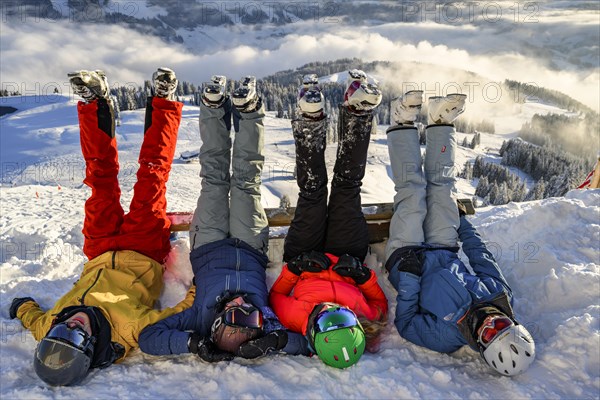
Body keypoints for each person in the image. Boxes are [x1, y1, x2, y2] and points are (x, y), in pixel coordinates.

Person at [8, 68, 195, 386]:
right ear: (90, 348)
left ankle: (95, 101)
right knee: (152, 175)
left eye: (57, 333)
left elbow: (32, 317)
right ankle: (163, 101)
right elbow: (180, 313)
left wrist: (21, 306)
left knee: (99, 178)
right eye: (76, 337)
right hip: (142, 249)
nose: (70, 326)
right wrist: (200, 286)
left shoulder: (50, 323)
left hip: (99, 248)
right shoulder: (130, 328)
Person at [139, 75, 303, 362]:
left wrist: (192, 344)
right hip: (249, 245)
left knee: (214, 181)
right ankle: (249, 110)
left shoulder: (199, 319)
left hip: (208, 244)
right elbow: (306, 344)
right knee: (246, 182)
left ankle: (213, 108)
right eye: (251, 317)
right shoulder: (267, 320)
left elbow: (149, 339)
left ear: (217, 323)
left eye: (236, 313)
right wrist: (274, 341)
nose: (243, 304)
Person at [385, 90, 536, 376]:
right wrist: (461, 222)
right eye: (502, 326)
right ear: (513, 322)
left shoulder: (445, 337)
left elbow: (406, 324)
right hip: (443, 246)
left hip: (407, 258)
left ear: (480, 344)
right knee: (443, 191)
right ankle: (440, 122)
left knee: (413, 195)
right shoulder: (499, 295)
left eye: (490, 334)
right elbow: (481, 257)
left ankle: (402, 123)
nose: (490, 323)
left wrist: (410, 277)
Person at [269, 70, 389, 369]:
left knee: (312, 194)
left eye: (327, 320)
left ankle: (310, 120)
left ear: (314, 330)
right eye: (343, 318)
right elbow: (380, 307)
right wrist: (362, 276)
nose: (332, 310)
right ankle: (357, 113)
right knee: (347, 190)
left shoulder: (294, 318)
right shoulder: (366, 316)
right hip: (346, 256)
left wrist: (295, 269)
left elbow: (276, 295)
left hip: (304, 256)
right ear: (355, 324)